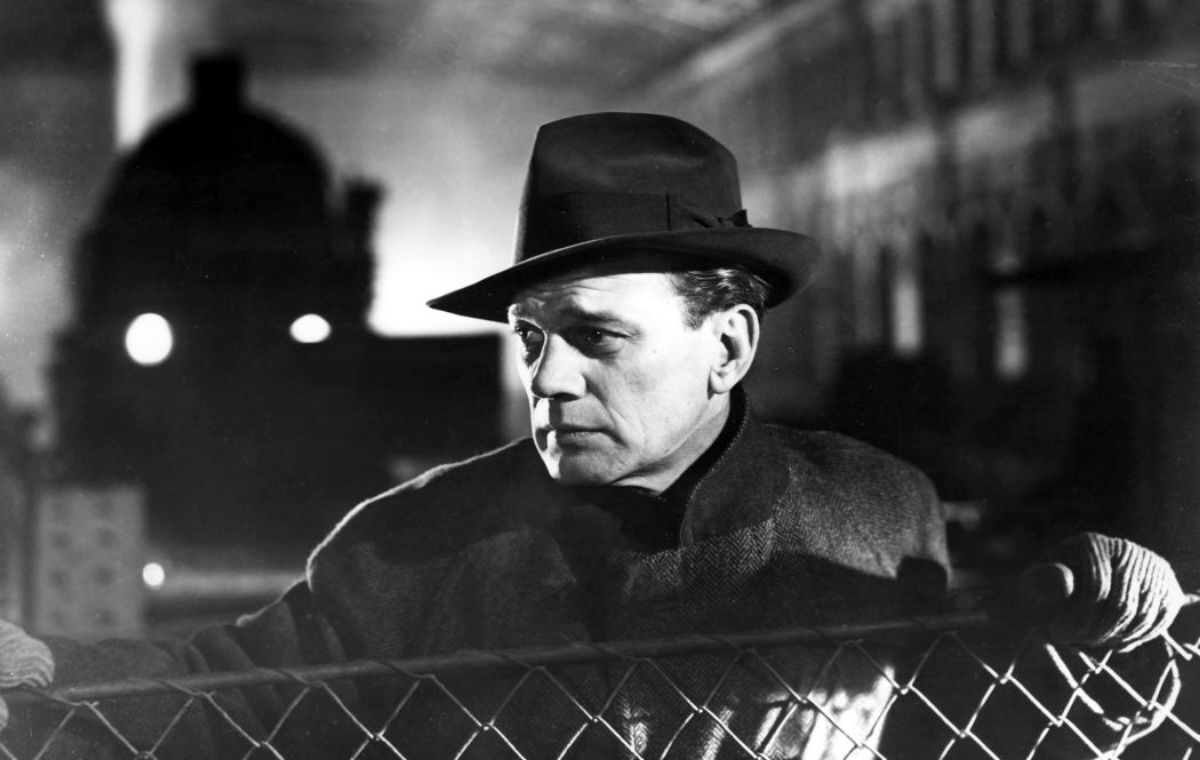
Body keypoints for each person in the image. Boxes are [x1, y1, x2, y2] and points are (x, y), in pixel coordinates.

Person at [0, 112, 1186, 759]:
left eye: (596, 336)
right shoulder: (409, 549)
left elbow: (967, 727)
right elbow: (225, 695)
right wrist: (39, 675)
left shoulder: (876, 513)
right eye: (530, 334)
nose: (546, 376)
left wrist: (1100, 629)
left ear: (729, 344)